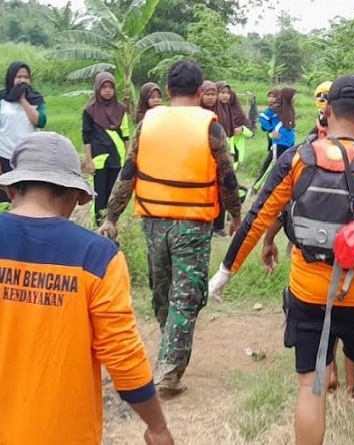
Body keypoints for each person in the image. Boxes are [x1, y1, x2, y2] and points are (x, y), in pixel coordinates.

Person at [207, 74, 354, 445]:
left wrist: (225, 272)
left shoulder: (298, 158)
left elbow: (258, 217)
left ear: (328, 110)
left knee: (311, 383)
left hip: (307, 291)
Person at [0, 131, 173, 445]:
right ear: (75, 196)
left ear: (11, 188)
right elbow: (123, 355)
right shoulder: (97, 258)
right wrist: (157, 426)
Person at [97, 59, 242, 397]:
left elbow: (128, 173)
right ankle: (169, 368)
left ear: (170, 89)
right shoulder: (210, 126)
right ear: (197, 90)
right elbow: (228, 177)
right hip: (192, 223)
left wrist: (110, 217)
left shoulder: (148, 123)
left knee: (162, 290)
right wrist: (235, 213)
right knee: (184, 295)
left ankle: (168, 357)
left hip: (153, 222)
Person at [82, 72, 130, 227]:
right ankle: (98, 227)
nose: (108, 90)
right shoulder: (90, 110)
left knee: (113, 196)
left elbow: (126, 134)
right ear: (97, 89)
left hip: (117, 158)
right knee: (98, 196)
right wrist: (88, 161)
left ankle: (111, 227)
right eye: (104, 87)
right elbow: (86, 137)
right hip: (98, 160)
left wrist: (129, 158)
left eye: (111, 87)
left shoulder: (121, 109)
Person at [0, 61, 47, 207]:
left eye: (26, 77)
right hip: (5, 156)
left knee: (27, 197)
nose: (22, 80)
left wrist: (23, 101)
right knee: (6, 198)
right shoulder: (2, 99)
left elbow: (40, 122)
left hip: (29, 157)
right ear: (11, 78)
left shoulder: (36, 99)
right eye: (18, 77)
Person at [213, 81, 251, 237]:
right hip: (215, 156)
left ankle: (221, 223)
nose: (225, 96)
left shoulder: (229, 110)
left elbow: (250, 131)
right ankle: (216, 224)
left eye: (228, 93)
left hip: (230, 155)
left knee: (226, 188)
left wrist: (241, 130)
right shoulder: (212, 111)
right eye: (222, 92)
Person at [251, 88, 281, 192]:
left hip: (278, 143)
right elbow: (264, 127)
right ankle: (258, 186)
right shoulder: (272, 109)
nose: (271, 99)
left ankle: (257, 186)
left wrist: (270, 128)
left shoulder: (278, 109)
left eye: (274, 96)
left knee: (269, 165)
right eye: (270, 96)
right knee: (270, 164)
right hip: (273, 143)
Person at [260, 86, 296, 159]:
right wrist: (271, 130)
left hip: (289, 141)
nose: (295, 98)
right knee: (277, 164)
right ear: (288, 96)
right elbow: (262, 117)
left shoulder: (289, 108)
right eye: (293, 96)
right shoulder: (276, 108)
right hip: (279, 142)